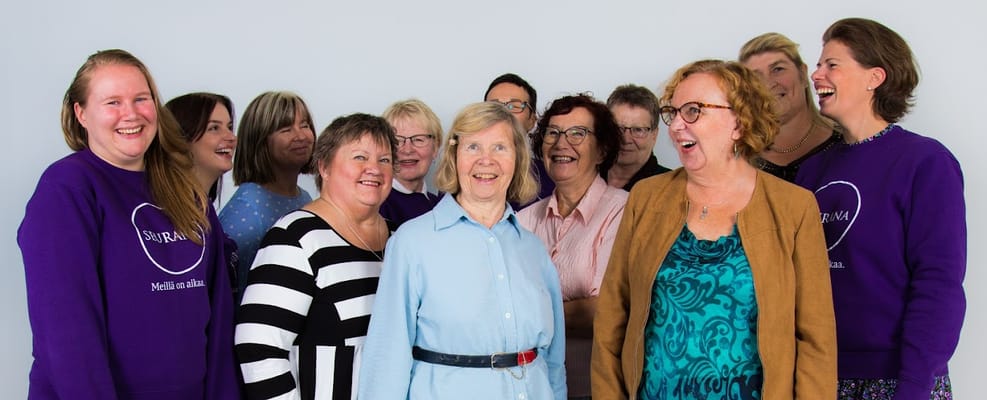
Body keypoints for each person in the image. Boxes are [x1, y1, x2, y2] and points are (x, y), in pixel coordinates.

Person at [592, 59, 837, 399]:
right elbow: (611, 321)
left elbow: (816, 340)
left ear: (739, 121)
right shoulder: (646, 198)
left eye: (693, 111)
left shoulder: (793, 207)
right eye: (673, 112)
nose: (677, 125)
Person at [18, 49, 240, 399]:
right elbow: (65, 334)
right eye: (112, 102)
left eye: (141, 99)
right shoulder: (67, 189)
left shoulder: (186, 191)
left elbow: (219, 319)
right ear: (81, 113)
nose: (131, 114)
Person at [796, 18, 966, 399]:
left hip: (899, 379)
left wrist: (913, 385)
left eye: (831, 64)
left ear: (875, 77)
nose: (816, 74)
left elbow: (939, 284)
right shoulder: (811, 172)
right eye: (818, 64)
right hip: (820, 376)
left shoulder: (925, 163)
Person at [359, 102, 567, 400]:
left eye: (499, 148)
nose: (486, 160)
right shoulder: (413, 242)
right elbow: (386, 357)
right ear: (454, 157)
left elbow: (554, 361)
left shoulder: (532, 248)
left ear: (518, 159)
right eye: (473, 148)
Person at [235, 113, 397, 399]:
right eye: (359, 157)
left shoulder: (399, 241)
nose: (374, 168)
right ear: (324, 166)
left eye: (384, 160)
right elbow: (258, 349)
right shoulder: (295, 237)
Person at [517, 94, 624, 399]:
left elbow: (607, 311)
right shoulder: (523, 220)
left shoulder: (625, 212)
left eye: (578, 133)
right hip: (531, 387)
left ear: (602, 150)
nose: (562, 143)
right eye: (553, 132)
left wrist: (527, 315)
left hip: (593, 387)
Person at [219, 91, 316, 303]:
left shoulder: (305, 197)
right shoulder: (246, 212)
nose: (301, 136)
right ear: (260, 140)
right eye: (286, 129)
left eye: (305, 125)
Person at [739, 32, 842, 182]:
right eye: (755, 76)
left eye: (778, 69)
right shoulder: (739, 159)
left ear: (803, 73)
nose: (768, 83)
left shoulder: (845, 142)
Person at [165, 92, 240, 297]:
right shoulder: (164, 221)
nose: (231, 138)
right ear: (181, 139)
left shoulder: (205, 212)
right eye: (214, 128)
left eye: (230, 127)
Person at [484, 73, 555, 205]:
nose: (503, 113)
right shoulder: (465, 172)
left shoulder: (552, 178)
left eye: (514, 106)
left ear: (532, 120)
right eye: (494, 106)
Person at [379, 98, 443, 225]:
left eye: (419, 139)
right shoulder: (377, 204)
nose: (407, 150)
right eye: (397, 141)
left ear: (435, 148)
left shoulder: (442, 205)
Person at [603, 84, 671, 190]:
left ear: (654, 135)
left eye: (638, 130)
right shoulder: (584, 176)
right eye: (618, 128)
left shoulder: (670, 187)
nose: (626, 139)